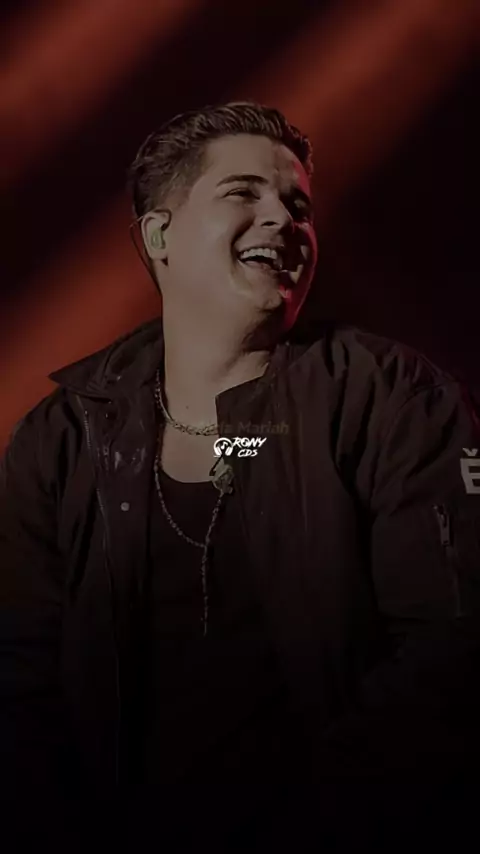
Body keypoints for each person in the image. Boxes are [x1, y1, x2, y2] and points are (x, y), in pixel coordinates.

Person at [1, 100, 480, 853]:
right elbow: (18, 684)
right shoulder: (60, 439)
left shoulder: (393, 400)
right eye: (242, 193)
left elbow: (452, 650)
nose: (285, 220)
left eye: (299, 206)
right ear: (159, 236)